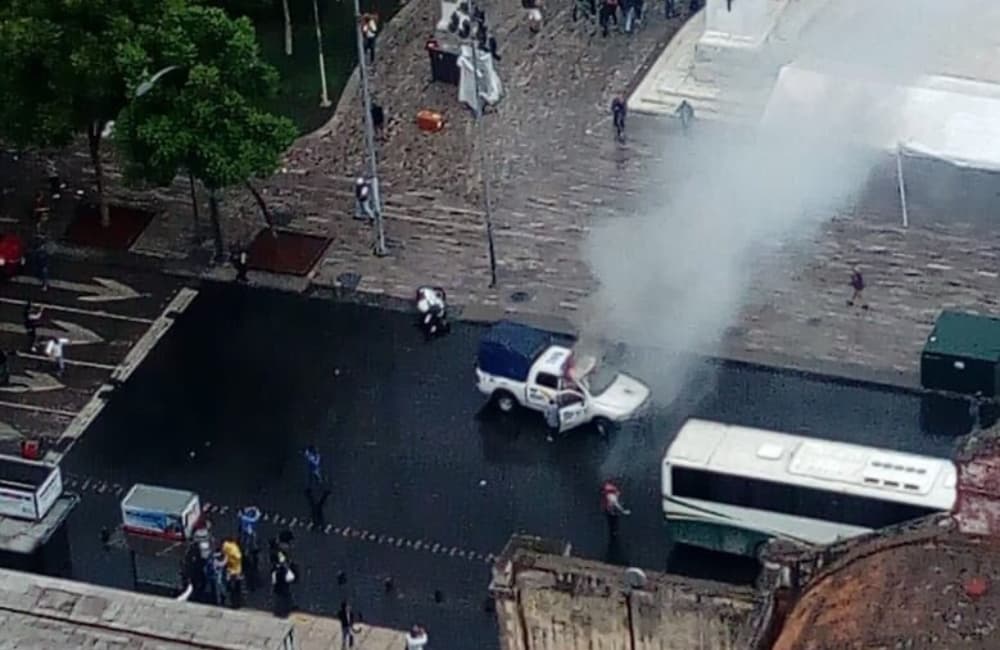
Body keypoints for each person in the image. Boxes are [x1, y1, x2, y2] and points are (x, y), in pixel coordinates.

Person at [221, 537, 243, 608]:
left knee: (231, 587)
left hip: (231, 571)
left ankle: (232, 602)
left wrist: (221, 564)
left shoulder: (227, 547)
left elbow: (225, 559)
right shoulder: (235, 547)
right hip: (237, 570)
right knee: (236, 588)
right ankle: (236, 603)